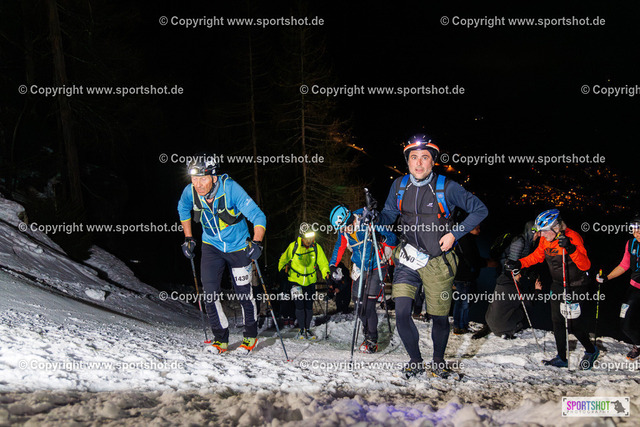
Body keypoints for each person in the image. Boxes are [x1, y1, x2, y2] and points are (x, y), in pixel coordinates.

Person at [373, 134, 488, 378]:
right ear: (407, 161)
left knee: (439, 317)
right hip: (407, 259)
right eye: (413, 157)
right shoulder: (399, 186)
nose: (418, 163)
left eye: (424, 157)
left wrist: (455, 234)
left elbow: (480, 210)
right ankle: (415, 361)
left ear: (433, 161)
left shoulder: (447, 187)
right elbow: (388, 215)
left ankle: (437, 361)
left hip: (438, 262)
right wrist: (375, 217)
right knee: (402, 312)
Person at [177, 156, 266, 354]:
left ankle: (250, 336)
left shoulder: (231, 189)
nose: (198, 184)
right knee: (209, 294)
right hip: (211, 247)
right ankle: (220, 339)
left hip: (238, 247)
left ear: (214, 177)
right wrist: (188, 238)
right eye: (194, 179)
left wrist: (257, 242)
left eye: (203, 178)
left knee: (244, 294)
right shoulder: (190, 191)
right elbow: (182, 208)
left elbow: (258, 216)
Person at [506, 209, 599, 369]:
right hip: (557, 284)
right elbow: (537, 256)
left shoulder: (573, 237)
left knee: (573, 324)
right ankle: (561, 358)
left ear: (556, 227)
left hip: (576, 286)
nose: (541, 234)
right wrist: (519, 263)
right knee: (557, 321)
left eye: (544, 231)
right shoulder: (545, 240)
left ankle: (591, 350)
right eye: (539, 231)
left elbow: (585, 265)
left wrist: (570, 248)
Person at [329, 205, 398, 353]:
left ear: (350, 219)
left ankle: (372, 340)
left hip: (377, 265)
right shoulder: (344, 231)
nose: (345, 231)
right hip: (360, 268)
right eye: (342, 229)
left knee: (369, 304)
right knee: (358, 304)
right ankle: (367, 331)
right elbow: (339, 246)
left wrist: (382, 238)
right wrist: (332, 265)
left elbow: (393, 239)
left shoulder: (368, 220)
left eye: (346, 227)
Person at [474, 220, 540, 339]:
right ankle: (496, 325)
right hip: (507, 275)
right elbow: (512, 263)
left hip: (511, 276)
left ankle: (498, 323)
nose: (539, 235)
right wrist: (517, 275)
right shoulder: (519, 242)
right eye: (537, 232)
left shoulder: (529, 242)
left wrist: (527, 272)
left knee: (506, 301)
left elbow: (521, 262)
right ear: (530, 231)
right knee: (504, 301)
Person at [596, 214, 640, 361]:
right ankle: (638, 344)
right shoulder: (631, 244)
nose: (636, 232)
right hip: (634, 288)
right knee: (625, 323)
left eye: (639, 229)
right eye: (633, 229)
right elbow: (624, 265)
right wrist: (607, 277)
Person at [278, 223, 331, 339]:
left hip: (310, 281)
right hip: (295, 281)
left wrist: (326, 274)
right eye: (307, 238)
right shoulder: (294, 246)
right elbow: (283, 259)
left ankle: (307, 329)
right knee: (299, 306)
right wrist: (282, 269)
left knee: (308, 306)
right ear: (302, 237)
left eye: (311, 237)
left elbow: (323, 263)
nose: (309, 240)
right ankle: (301, 329)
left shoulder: (316, 248)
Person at [452, 224, 485, 334]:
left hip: (464, 277)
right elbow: (472, 258)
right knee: (464, 303)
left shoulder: (465, 239)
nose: (479, 231)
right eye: (477, 228)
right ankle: (459, 326)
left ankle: (461, 325)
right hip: (464, 277)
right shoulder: (465, 241)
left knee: (462, 302)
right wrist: (486, 263)